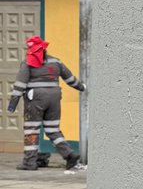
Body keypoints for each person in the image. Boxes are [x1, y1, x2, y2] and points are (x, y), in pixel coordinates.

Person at [6, 36, 86, 173]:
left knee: (32, 130)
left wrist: (13, 103)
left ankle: (30, 162)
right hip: (54, 98)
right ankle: (69, 155)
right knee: (52, 129)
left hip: (35, 100)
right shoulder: (56, 61)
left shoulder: (28, 63)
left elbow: (20, 84)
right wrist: (82, 87)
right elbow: (69, 78)